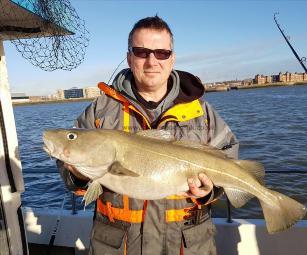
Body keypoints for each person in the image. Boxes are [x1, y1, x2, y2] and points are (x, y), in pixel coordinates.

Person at [58, 15, 238, 255]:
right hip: (118, 246)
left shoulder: (202, 112)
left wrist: (210, 191)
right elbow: (70, 176)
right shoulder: (99, 111)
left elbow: (230, 160)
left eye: (162, 53)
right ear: (129, 57)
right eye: (142, 52)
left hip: (187, 245)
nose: (152, 61)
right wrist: (78, 174)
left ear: (172, 59)